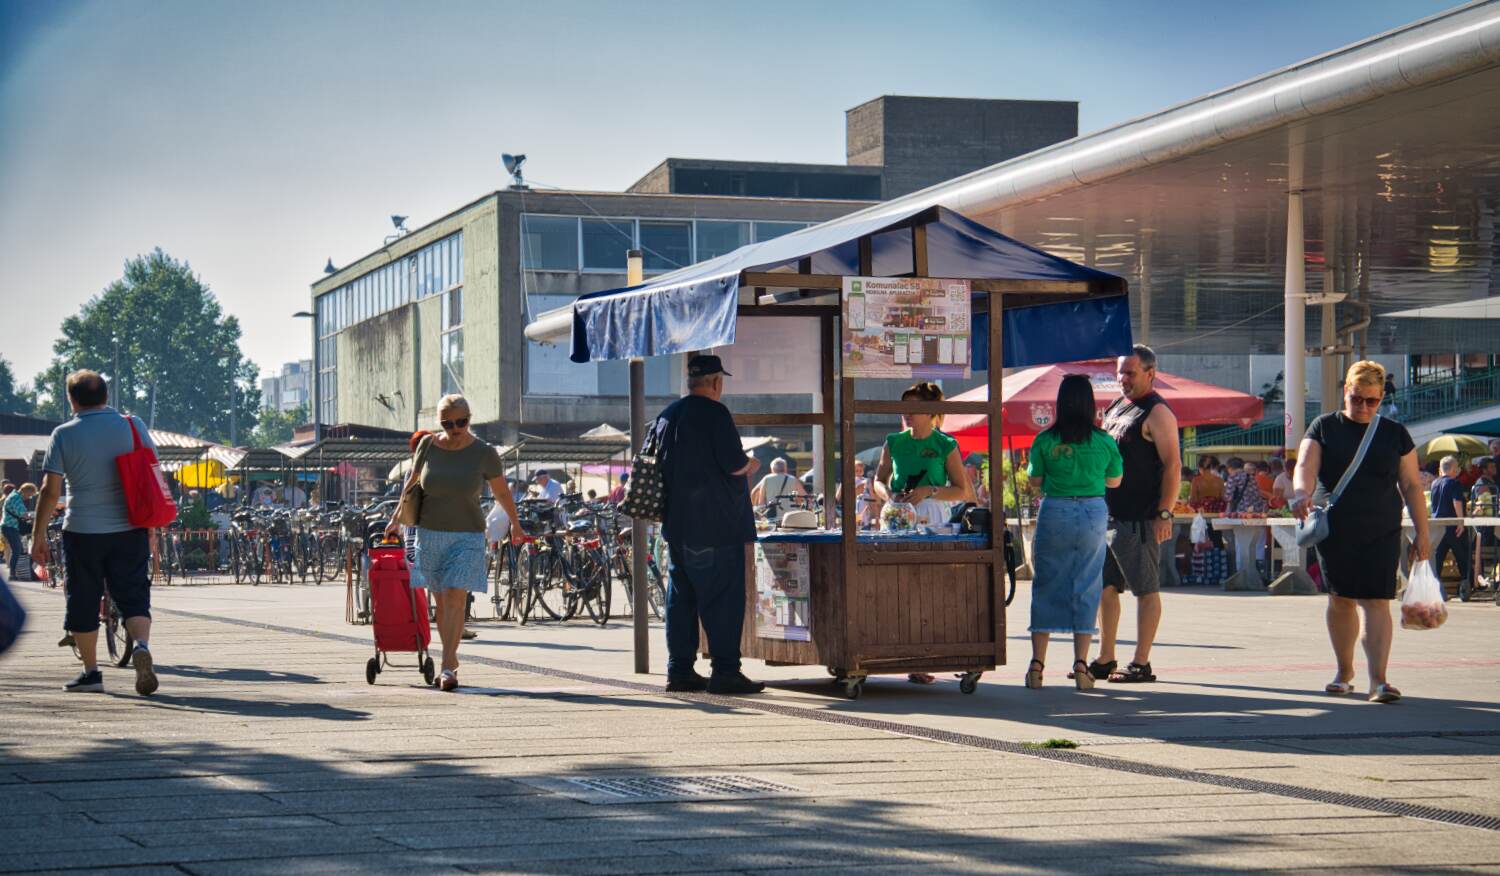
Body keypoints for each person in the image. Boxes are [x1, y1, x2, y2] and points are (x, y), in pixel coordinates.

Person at [1292, 360, 1429, 704]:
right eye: (1357, 399)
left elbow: (1412, 485)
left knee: (1376, 601)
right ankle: (1344, 671)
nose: (1363, 407)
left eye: (1372, 401)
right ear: (1345, 392)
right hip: (1335, 528)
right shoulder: (1325, 426)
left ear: (1382, 397)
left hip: (1382, 528)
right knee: (1340, 599)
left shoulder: (1394, 433)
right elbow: (1305, 466)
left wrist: (1423, 534)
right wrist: (1300, 493)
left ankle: (1379, 681)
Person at [29, 371, 161, 695]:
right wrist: (152, 528)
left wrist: (38, 535)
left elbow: (49, 490)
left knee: (83, 599)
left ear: (71, 399)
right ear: (106, 396)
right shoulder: (134, 425)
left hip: (84, 530)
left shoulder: (63, 434)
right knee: (133, 595)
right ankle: (140, 646)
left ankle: (91, 674)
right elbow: (152, 475)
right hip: (130, 527)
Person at [385, 395, 522, 691]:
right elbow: (411, 484)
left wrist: (516, 523)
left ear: (470, 419)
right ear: (440, 422)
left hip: (468, 534)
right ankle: (449, 659)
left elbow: (501, 492)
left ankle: (448, 666)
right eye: (448, 423)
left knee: (456, 597)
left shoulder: (484, 453)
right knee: (441, 603)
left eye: (462, 421)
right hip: (429, 533)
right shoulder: (427, 446)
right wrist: (396, 518)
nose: (455, 427)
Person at [655, 354, 764, 695]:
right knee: (722, 602)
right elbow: (733, 463)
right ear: (717, 382)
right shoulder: (715, 414)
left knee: (681, 600)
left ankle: (680, 670)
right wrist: (751, 465)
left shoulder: (667, 415)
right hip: (716, 527)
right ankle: (726, 671)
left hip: (678, 526)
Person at [1087, 345, 1180, 685]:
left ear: (1150, 373)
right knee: (1105, 587)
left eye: (1130, 372)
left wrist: (1165, 513)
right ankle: (1105, 656)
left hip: (1140, 516)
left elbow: (1173, 466)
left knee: (1145, 588)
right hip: (1108, 514)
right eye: (1120, 372)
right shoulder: (1117, 405)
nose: (1123, 379)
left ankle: (1141, 662)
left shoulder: (1157, 412)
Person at [1023, 374, 1123, 691]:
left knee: (1047, 581)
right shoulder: (1104, 441)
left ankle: (1037, 667)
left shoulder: (1046, 440)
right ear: (1090, 404)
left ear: (1060, 403)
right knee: (1088, 583)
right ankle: (1081, 665)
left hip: (1056, 509)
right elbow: (1115, 481)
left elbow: (1034, 481)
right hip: (1093, 511)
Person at [872, 382, 977, 530]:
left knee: (928, 553)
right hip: (897, 512)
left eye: (912, 409)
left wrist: (929, 491)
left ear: (930, 411)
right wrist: (890, 495)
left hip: (933, 515)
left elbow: (962, 491)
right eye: (903, 408)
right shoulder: (893, 442)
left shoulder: (946, 444)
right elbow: (878, 481)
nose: (906, 413)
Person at [1429, 456, 1469, 589]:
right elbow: (1456, 502)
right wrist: (1460, 522)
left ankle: (1434, 586)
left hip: (1437, 526)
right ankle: (1466, 583)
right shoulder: (1454, 483)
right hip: (1452, 525)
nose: (1458, 470)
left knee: (1438, 557)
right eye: (1457, 466)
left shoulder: (1434, 483)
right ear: (1452, 468)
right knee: (1462, 556)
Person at [3, 481, 32, 580]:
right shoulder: (16, 498)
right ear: (26, 492)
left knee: (17, 549)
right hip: (10, 527)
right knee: (17, 550)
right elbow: (24, 514)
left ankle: (15, 573)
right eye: (30, 495)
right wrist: (33, 516)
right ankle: (12, 575)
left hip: (10, 527)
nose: (29, 498)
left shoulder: (14, 495)